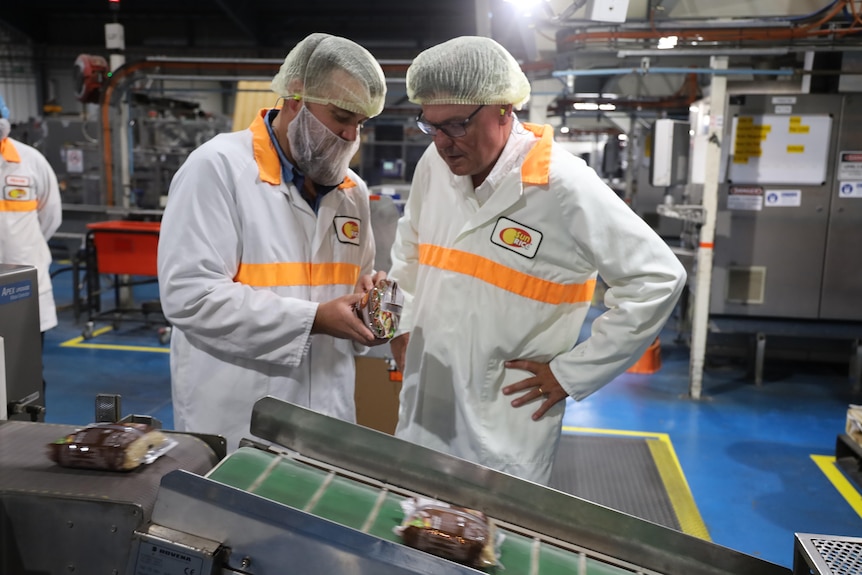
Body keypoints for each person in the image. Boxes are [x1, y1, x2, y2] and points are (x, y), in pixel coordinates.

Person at [387, 36, 687, 485]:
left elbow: (658, 278)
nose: (444, 143)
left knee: (489, 545)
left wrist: (572, 374)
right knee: (414, 530)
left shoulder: (561, 185)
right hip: (426, 405)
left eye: (457, 125)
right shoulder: (435, 164)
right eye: (431, 126)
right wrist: (402, 320)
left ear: (505, 109)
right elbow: (408, 247)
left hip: (503, 423)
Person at [157, 33, 388, 451]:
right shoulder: (218, 169)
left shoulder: (352, 192)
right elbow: (189, 296)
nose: (350, 134)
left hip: (329, 417)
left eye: (360, 123)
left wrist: (370, 305)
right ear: (296, 98)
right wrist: (313, 318)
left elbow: (357, 282)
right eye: (340, 116)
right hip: (240, 419)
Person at [0, 93, 62, 402]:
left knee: (25, 378)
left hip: (25, 292)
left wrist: (25, 254)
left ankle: (29, 434)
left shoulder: (30, 161)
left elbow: (50, 217)